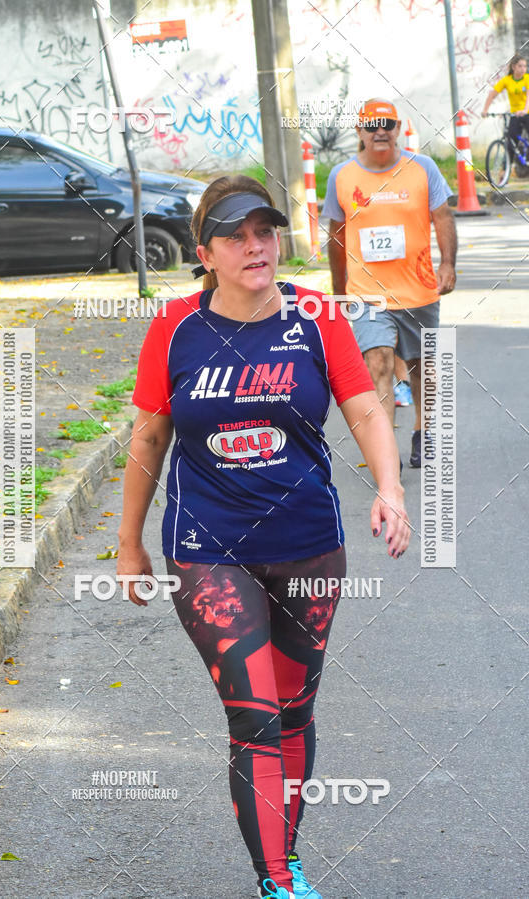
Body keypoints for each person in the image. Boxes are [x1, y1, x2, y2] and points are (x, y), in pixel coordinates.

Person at [117, 175, 410, 899]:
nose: (256, 246)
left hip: (310, 543)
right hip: (208, 547)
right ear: (204, 252)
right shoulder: (176, 327)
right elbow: (150, 434)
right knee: (253, 710)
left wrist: (392, 490)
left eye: (266, 231)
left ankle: (287, 854)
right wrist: (129, 543)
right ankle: (277, 881)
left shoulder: (314, 315)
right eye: (236, 235)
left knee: (294, 709)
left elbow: (367, 409)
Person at [323, 98, 457, 467]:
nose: (380, 131)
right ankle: (385, 450)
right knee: (378, 362)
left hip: (419, 288)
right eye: (372, 125)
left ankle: (424, 433)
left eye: (388, 124)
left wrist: (448, 264)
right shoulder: (342, 176)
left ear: (398, 128)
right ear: (360, 132)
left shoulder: (423, 168)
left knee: (420, 366)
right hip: (368, 295)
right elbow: (336, 236)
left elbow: (443, 218)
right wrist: (338, 292)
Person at [482, 53, 529, 174]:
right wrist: (485, 110)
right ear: (513, 67)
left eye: (525, 66)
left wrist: (524, 110)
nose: (523, 69)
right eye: (520, 66)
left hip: (527, 113)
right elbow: (492, 94)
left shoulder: (527, 79)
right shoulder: (506, 81)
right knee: (510, 142)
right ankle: (505, 173)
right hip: (515, 114)